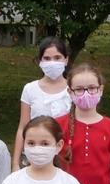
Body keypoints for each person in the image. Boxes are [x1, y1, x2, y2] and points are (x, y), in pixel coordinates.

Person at [12, 37, 72, 171]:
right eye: (47, 58)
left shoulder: (73, 89)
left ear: (66, 60)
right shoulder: (30, 89)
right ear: (40, 61)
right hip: (35, 155)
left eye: (57, 58)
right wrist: (15, 163)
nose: (52, 62)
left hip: (65, 156)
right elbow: (22, 127)